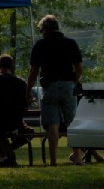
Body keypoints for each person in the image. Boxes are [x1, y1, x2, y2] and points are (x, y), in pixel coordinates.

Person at [25, 15, 84, 166]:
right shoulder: (70, 43)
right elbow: (79, 68)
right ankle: (77, 156)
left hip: (49, 86)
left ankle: (53, 161)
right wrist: (73, 82)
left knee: (52, 124)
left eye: (41, 30)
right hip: (68, 85)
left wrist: (28, 90)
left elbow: (33, 71)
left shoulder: (40, 45)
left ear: (44, 29)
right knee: (72, 122)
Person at [0, 54, 31, 167]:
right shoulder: (20, 83)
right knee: (28, 133)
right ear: (11, 66)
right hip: (14, 123)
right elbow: (25, 106)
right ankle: (6, 155)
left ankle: (4, 155)